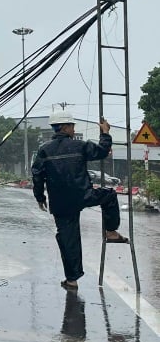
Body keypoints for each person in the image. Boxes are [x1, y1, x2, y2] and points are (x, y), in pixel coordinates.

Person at [32, 111, 129, 291]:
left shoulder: (45, 149)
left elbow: (37, 175)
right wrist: (105, 133)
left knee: (68, 239)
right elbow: (101, 151)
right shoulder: (79, 146)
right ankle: (111, 231)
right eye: (72, 126)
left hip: (60, 202)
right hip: (83, 195)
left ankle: (72, 280)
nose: (74, 129)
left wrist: (40, 197)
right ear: (65, 127)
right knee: (109, 195)